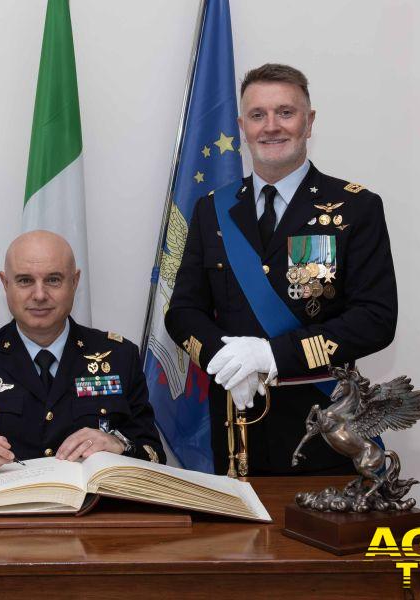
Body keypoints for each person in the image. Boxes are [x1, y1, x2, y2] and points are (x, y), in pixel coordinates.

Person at [165, 63, 397, 476]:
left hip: (324, 425)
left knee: (323, 539)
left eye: (286, 113)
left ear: (309, 122)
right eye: (258, 115)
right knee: (240, 541)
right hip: (237, 423)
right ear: (242, 126)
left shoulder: (356, 208)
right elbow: (182, 312)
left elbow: (375, 319)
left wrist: (274, 353)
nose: (271, 126)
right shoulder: (211, 211)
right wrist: (224, 358)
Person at [0, 230, 165, 477]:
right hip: (3, 517)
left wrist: (119, 443)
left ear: (75, 282)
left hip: (91, 516)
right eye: (25, 280)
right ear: (5, 284)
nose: (39, 295)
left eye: (53, 279)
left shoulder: (119, 356)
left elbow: (153, 454)